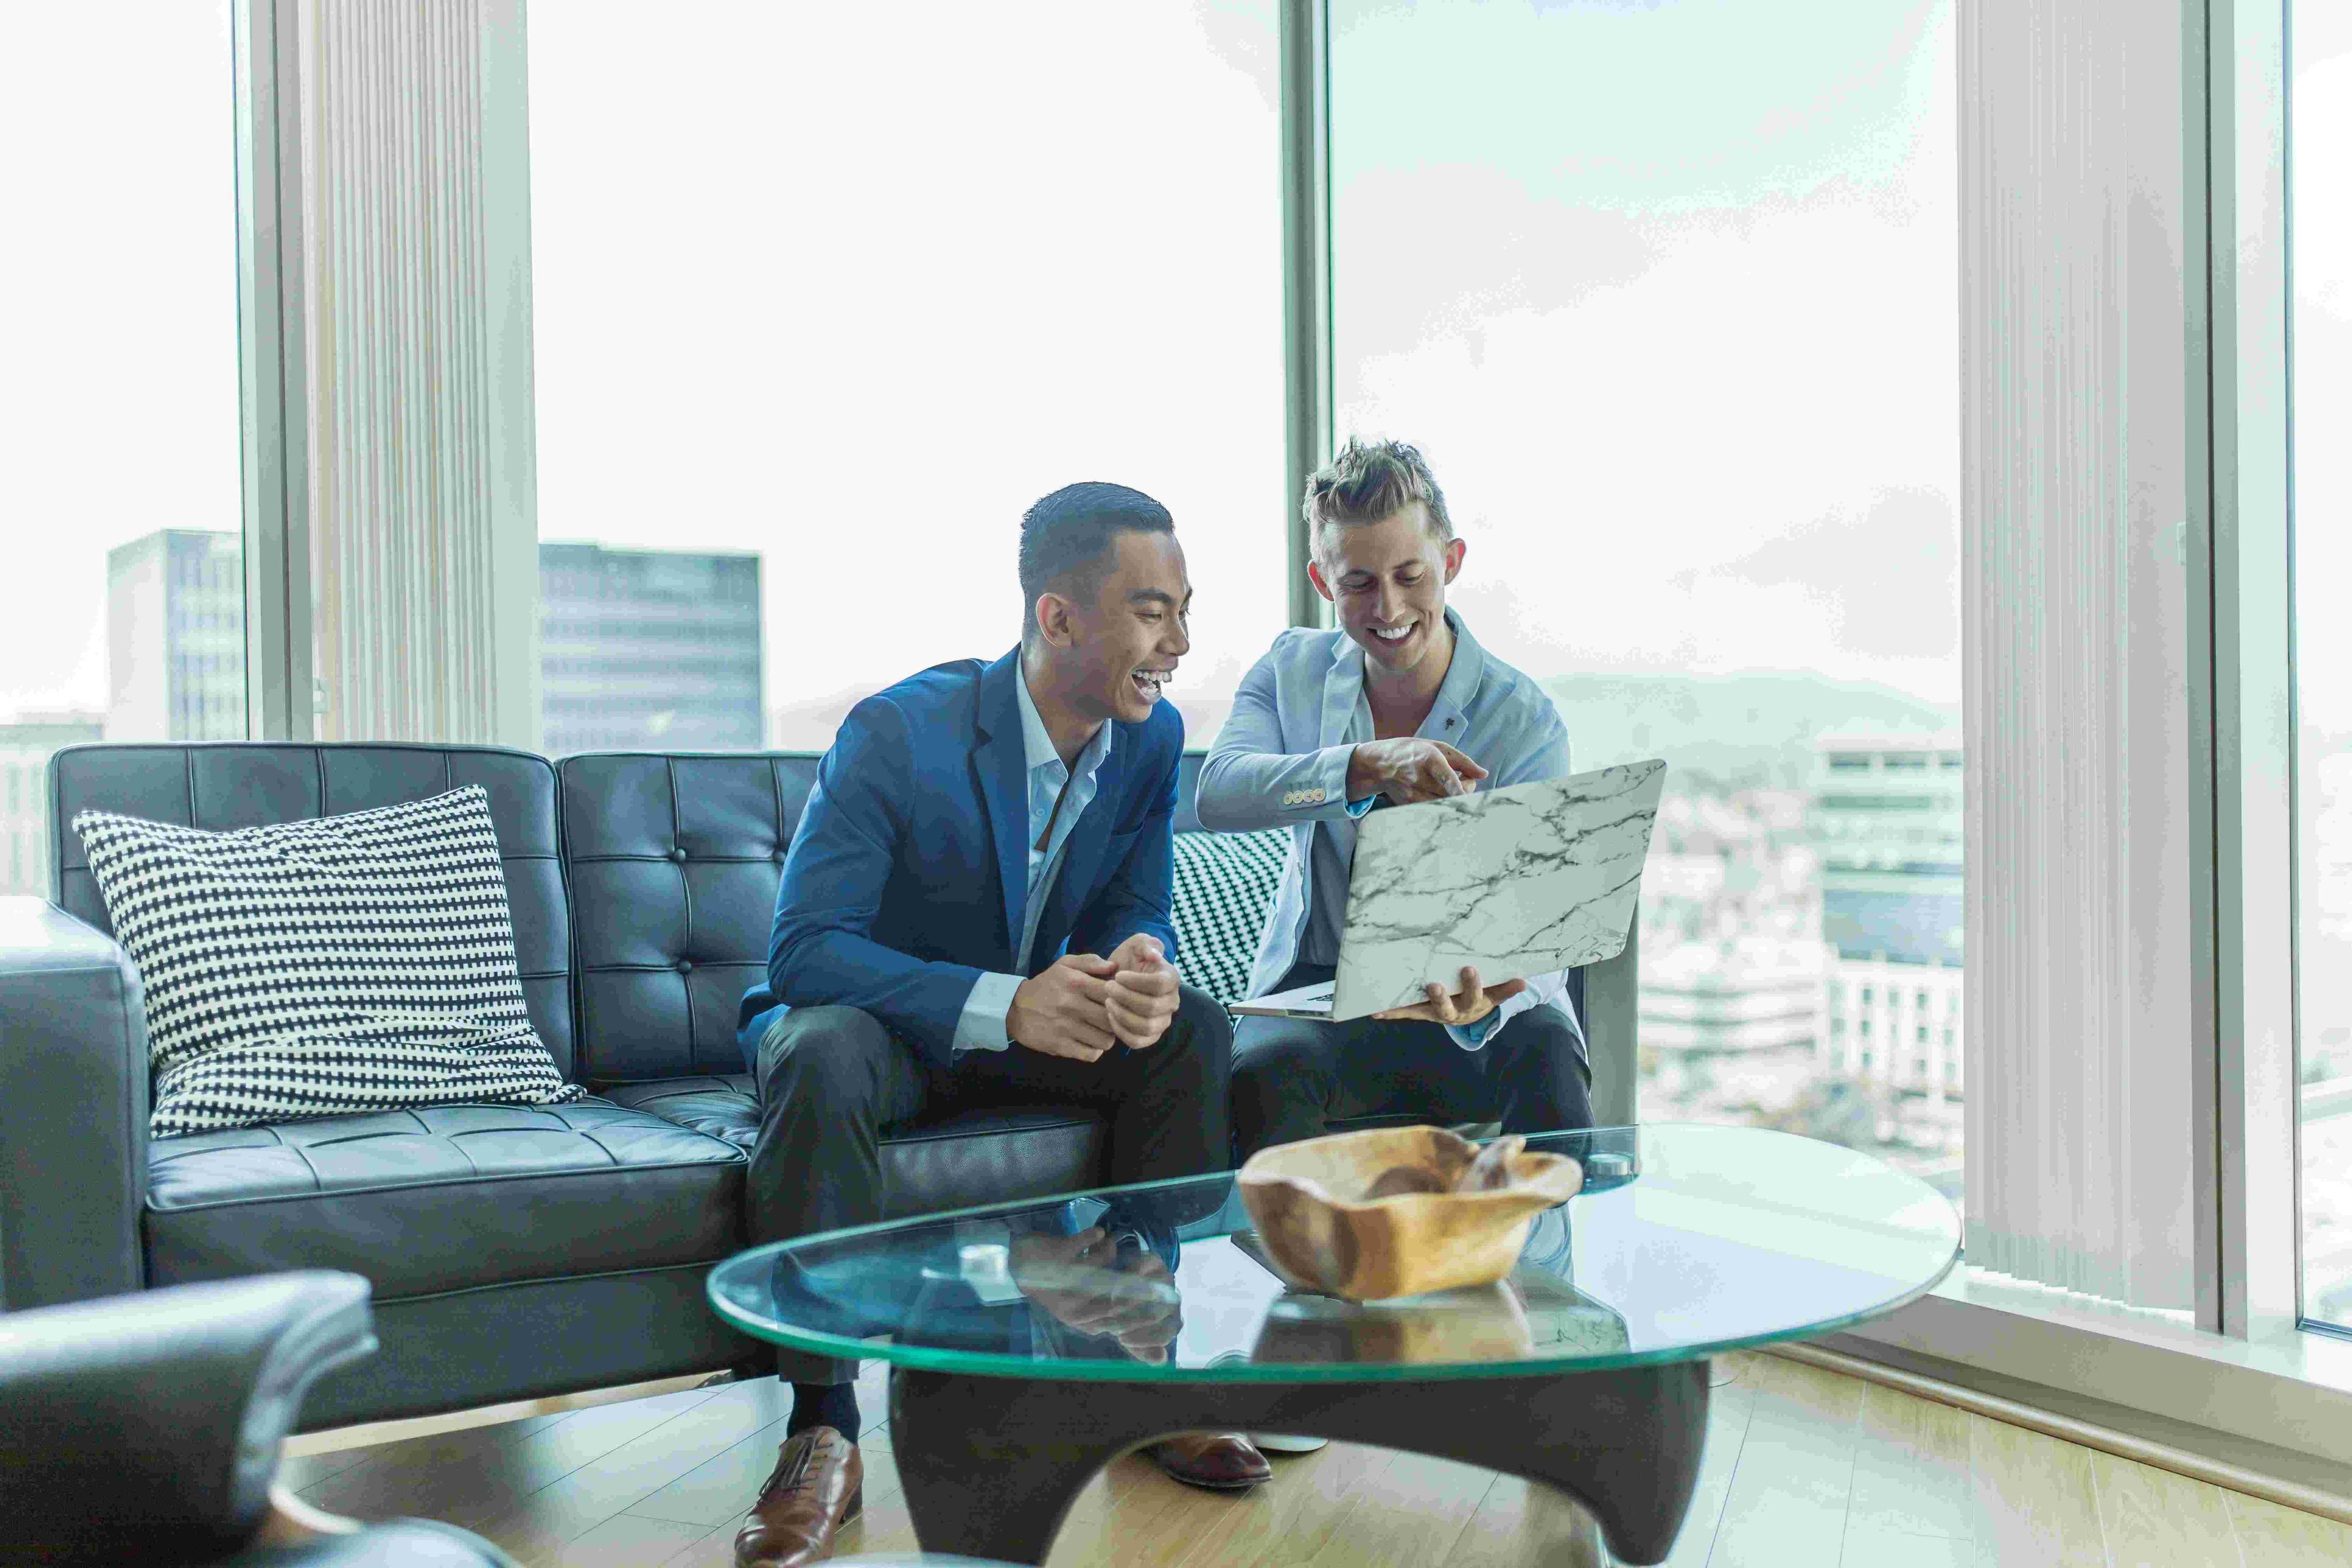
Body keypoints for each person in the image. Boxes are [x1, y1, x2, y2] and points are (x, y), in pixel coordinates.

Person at [728, 482, 1263, 1568]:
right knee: (820, 1050)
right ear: (1058, 617)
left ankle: (1138, 1364)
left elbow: (1133, 902)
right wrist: (999, 1002)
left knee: (1191, 1031)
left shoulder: (1150, 741)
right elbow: (805, 952)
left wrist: (1144, 961)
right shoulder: (898, 731)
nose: (1182, 642)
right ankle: (821, 1430)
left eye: (1185, 608)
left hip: (1038, 1034)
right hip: (888, 1035)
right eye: (1154, 610)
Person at [1197, 437, 1596, 1161]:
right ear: (1322, 581)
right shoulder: (1290, 671)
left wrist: (1491, 990)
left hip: (1468, 990)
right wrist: (1363, 765)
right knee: (1263, 1072)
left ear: (1452, 561)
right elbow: (1219, 792)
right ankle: (1298, 1276)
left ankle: (1550, 1269)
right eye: (1358, 583)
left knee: (1546, 1051)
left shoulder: (1523, 718)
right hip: (1318, 991)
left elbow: (1544, 928)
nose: (1388, 607)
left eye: (1410, 574)